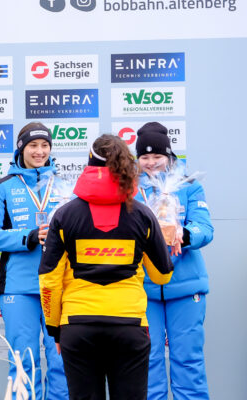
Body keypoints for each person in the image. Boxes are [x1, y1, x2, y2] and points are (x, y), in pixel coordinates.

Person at [39, 134, 174, 400]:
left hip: (77, 327)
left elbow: (49, 280)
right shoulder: (144, 214)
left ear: (89, 163)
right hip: (129, 325)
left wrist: (55, 329)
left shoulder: (64, 215)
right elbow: (162, 275)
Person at [0, 122, 68, 400]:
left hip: (62, 286)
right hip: (19, 287)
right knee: (23, 360)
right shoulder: (2, 186)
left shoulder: (65, 185)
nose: (39, 151)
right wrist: (28, 237)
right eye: (33, 145)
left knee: (61, 363)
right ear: (21, 148)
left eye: (44, 145)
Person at [133, 122, 214, 400]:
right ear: (137, 159)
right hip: (144, 289)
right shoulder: (129, 189)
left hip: (185, 286)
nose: (151, 162)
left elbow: (206, 229)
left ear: (168, 156)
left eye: (157, 156)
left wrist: (184, 233)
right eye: (145, 157)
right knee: (148, 363)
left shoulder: (189, 186)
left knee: (188, 361)